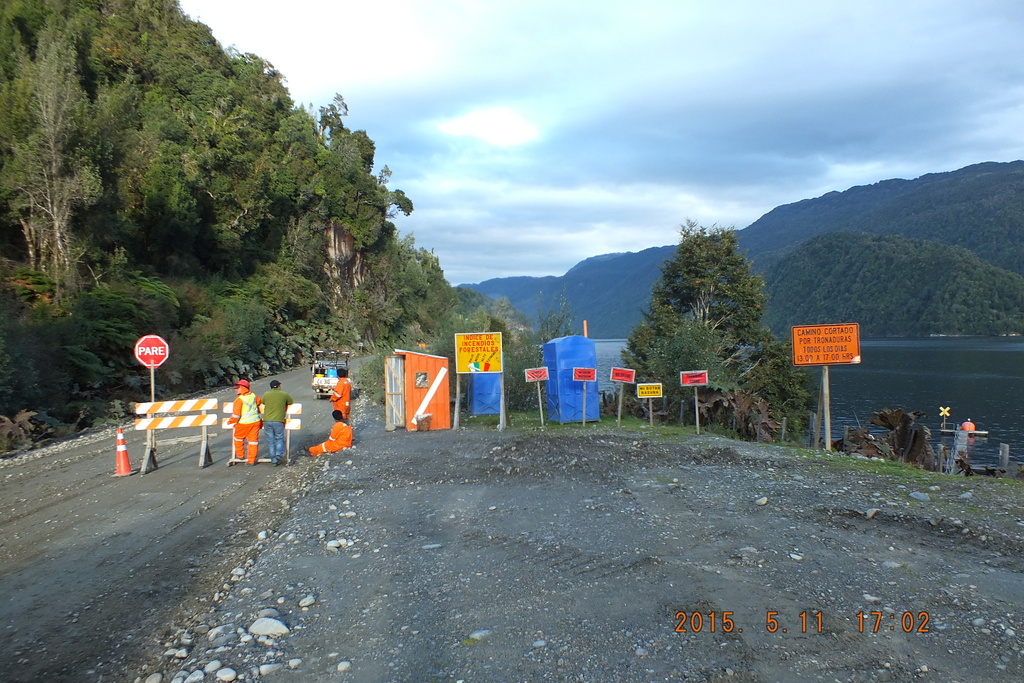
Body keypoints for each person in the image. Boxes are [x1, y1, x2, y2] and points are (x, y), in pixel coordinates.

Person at [228, 379, 262, 465]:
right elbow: (259, 402)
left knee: (238, 438)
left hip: (244, 424)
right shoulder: (253, 395)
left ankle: (240, 456)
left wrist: (230, 421)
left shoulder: (239, 400)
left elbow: (236, 415)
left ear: (243, 388)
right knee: (253, 441)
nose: (236, 390)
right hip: (256, 422)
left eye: (237, 388)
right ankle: (251, 460)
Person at [261, 379, 294, 466]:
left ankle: (273, 459)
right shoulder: (284, 394)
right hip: (278, 420)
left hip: (267, 420)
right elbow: (291, 402)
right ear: (279, 386)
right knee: (279, 438)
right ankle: (278, 454)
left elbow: (263, 402)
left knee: (270, 440)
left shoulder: (266, 394)